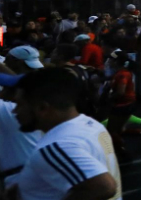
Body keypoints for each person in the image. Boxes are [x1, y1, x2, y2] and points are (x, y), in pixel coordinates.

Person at [9, 68, 121, 200]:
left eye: (19, 104)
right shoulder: (90, 125)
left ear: (42, 108)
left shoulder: (56, 146)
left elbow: (104, 187)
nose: (15, 111)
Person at [0, 72, 42, 195]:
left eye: (6, 89)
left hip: (20, 182)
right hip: (28, 176)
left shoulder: (9, 111)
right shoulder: (31, 111)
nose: (1, 93)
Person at [104, 50, 136, 162]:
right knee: (116, 129)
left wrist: (109, 97)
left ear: (116, 62)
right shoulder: (120, 72)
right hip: (125, 104)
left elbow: (120, 92)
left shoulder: (122, 74)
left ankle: (122, 151)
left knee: (112, 130)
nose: (109, 61)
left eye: (111, 59)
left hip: (123, 105)